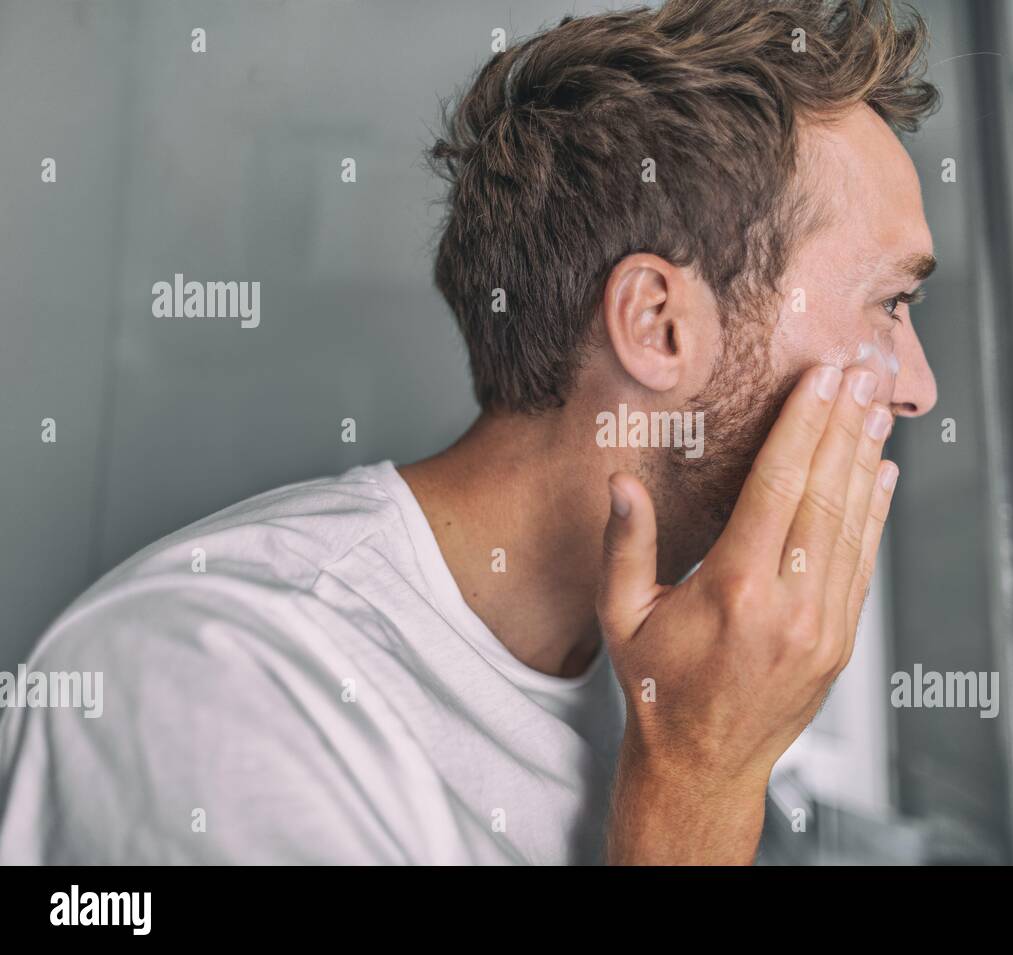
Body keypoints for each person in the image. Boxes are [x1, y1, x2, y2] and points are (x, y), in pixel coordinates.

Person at [0, 0, 938, 864]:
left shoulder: (683, 674)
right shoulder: (211, 681)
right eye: (891, 304)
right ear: (659, 324)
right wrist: (697, 784)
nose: (922, 389)